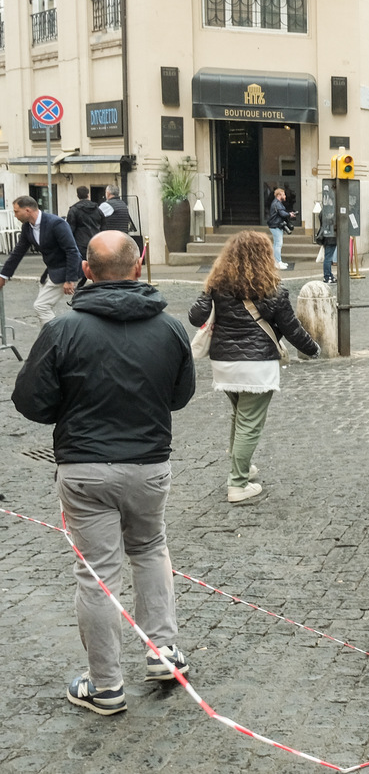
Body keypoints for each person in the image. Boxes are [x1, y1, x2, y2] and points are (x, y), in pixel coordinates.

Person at [12, 231, 196, 716]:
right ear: (138, 268)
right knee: (150, 548)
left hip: (85, 468)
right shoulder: (173, 329)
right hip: (149, 464)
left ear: (86, 272)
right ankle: (162, 651)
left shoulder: (62, 329)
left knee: (97, 576)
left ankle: (105, 685)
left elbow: (31, 401)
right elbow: (178, 396)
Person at [189, 232, 320, 503]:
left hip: (224, 364)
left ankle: (243, 467)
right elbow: (292, 329)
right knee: (249, 424)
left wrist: (208, 288)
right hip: (257, 366)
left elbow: (195, 317)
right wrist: (313, 349)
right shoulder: (273, 291)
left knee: (239, 416)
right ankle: (237, 484)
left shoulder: (218, 287)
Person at [0, 195, 84, 326]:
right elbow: (18, 252)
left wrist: (70, 279)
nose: (15, 215)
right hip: (51, 271)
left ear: (27, 210)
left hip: (66, 270)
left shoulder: (56, 223)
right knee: (42, 307)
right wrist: (3, 275)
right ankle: (48, 339)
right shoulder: (27, 227)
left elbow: (72, 251)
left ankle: (55, 338)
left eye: (16, 211)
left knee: (41, 306)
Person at [65, 186, 103, 262]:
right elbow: (103, 226)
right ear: (88, 195)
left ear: (77, 195)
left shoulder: (74, 210)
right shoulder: (97, 209)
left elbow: (70, 230)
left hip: (80, 244)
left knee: (82, 267)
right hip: (95, 242)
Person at [267, 188, 295, 269]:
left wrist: (288, 214)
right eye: (283, 194)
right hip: (276, 225)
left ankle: (277, 261)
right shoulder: (277, 203)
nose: (285, 196)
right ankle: (278, 262)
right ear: (279, 195)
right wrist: (289, 214)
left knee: (277, 244)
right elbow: (282, 213)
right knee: (278, 244)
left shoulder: (276, 203)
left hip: (275, 225)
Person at [315, 204, 338, 284]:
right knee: (328, 258)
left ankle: (329, 275)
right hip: (331, 236)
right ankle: (327, 276)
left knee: (328, 257)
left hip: (327, 236)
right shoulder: (332, 212)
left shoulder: (324, 211)